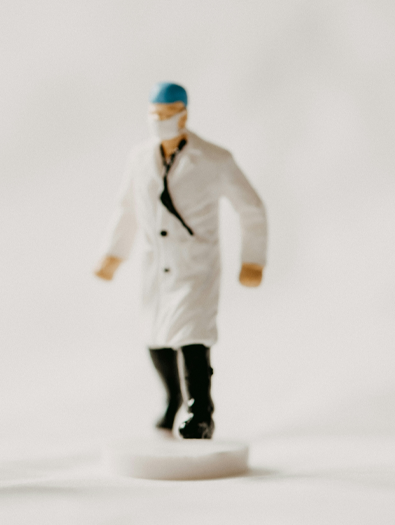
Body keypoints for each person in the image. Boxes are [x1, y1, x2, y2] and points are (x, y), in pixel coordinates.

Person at [94, 82, 268, 439]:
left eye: (166, 114)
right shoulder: (140, 157)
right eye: (153, 115)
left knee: (192, 335)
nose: (158, 121)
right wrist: (114, 255)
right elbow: (126, 208)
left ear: (183, 114)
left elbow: (250, 208)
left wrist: (253, 260)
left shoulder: (215, 159)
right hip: (155, 265)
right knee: (155, 337)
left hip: (194, 265)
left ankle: (201, 413)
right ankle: (173, 398)